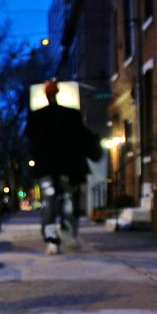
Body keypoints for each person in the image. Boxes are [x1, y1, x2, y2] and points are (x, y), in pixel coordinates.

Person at [25, 79, 102, 254]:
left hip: (46, 169)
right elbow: (81, 139)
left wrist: (34, 162)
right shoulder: (71, 115)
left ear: (46, 95)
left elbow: (30, 142)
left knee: (48, 203)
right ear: (57, 94)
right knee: (68, 201)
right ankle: (68, 232)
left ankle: (52, 240)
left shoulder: (37, 117)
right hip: (68, 168)